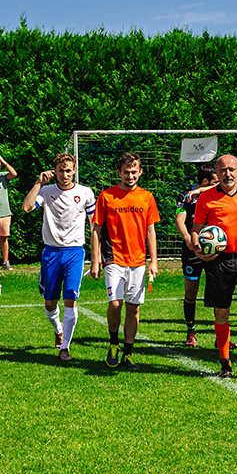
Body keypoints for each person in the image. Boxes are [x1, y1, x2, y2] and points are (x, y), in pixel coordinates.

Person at [190, 155, 237, 380]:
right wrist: (198, 248)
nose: (228, 174)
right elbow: (196, 229)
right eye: (223, 170)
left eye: (232, 169)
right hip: (219, 261)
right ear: (217, 172)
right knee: (222, 312)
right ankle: (225, 361)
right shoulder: (206, 198)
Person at [22, 152, 97, 362]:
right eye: (61, 171)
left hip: (75, 252)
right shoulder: (46, 191)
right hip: (51, 253)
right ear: (54, 171)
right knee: (49, 302)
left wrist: (96, 257)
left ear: (74, 171)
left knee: (70, 299)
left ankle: (65, 347)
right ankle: (58, 329)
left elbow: (94, 225)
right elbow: (27, 208)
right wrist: (37, 183)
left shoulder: (85, 193)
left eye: (68, 171)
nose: (65, 175)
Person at [91, 152, 160, 370]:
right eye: (126, 172)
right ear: (119, 172)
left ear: (140, 172)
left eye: (134, 172)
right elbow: (96, 230)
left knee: (134, 309)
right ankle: (113, 343)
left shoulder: (147, 197)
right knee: (114, 303)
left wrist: (154, 261)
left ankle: (128, 353)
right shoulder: (107, 196)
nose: (130, 176)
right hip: (113, 258)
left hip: (138, 261)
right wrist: (95, 260)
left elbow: (151, 231)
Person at [173, 163, 218, 347]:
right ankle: (190, 331)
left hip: (215, 250)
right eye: (215, 180)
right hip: (193, 251)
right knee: (191, 293)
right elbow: (179, 218)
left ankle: (221, 336)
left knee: (219, 292)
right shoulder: (185, 196)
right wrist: (188, 239)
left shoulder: (217, 193)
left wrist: (203, 190)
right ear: (206, 180)